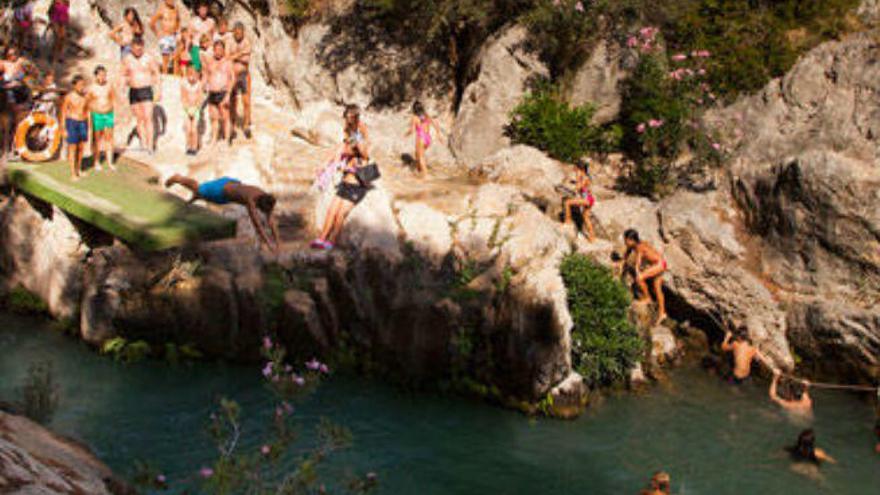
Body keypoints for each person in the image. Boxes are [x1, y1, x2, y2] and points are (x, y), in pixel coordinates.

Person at [164, 174, 280, 252]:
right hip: (220, 190)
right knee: (198, 188)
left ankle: (197, 197)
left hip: (230, 187)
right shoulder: (251, 199)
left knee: (203, 195)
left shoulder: (265, 197)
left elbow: (271, 220)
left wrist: (278, 242)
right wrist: (268, 243)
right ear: (258, 204)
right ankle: (179, 178)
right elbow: (257, 225)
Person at [311, 105, 371, 250]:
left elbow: (365, 154)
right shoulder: (347, 133)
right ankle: (321, 238)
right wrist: (326, 165)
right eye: (345, 119)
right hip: (345, 182)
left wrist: (355, 145)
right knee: (331, 210)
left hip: (357, 184)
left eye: (348, 119)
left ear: (354, 118)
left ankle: (331, 242)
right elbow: (339, 150)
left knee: (340, 214)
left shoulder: (361, 130)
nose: (345, 122)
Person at [122, 37, 161, 153]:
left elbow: (157, 74)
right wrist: (123, 87)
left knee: (148, 118)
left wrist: (158, 90)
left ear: (142, 47)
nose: (137, 50)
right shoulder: (127, 59)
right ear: (131, 47)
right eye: (135, 48)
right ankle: (143, 143)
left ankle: (150, 145)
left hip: (146, 89)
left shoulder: (148, 58)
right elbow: (123, 74)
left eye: (140, 48)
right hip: (134, 90)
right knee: (139, 119)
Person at [623, 229, 668, 325]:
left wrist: (638, 274)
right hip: (660, 263)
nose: (624, 242)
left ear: (631, 240)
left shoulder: (640, 247)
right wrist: (622, 261)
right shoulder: (633, 245)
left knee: (639, 278)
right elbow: (627, 253)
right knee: (657, 290)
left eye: (626, 240)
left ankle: (647, 298)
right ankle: (662, 313)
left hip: (659, 265)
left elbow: (637, 263)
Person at [203, 40, 234, 146]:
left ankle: (226, 140)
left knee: (225, 117)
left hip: (223, 92)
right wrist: (204, 85)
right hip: (212, 93)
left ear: (223, 50)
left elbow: (232, 79)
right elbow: (206, 75)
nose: (218, 52)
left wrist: (228, 94)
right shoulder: (210, 62)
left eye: (220, 49)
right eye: (216, 49)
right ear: (213, 50)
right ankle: (214, 139)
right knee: (214, 118)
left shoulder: (228, 63)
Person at [87, 65, 115, 171]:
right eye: (100, 75)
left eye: (104, 75)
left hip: (108, 114)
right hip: (97, 114)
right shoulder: (92, 88)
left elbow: (112, 97)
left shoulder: (109, 86)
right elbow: (88, 101)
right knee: (97, 139)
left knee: (109, 138)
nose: (102, 77)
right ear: (96, 76)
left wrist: (110, 108)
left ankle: (110, 162)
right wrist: (94, 110)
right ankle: (96, 161)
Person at [405, 100, 444, 176]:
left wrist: (406, 134)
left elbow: (412, 130)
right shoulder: (426, 116)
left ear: (414, 109)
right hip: (428, 139)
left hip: (421, 138)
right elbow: (435, 123)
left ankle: (425, 175)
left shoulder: (415, 117)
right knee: (417, 154)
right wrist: (438, 134)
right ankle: (419, 170)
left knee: (421, 157)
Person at [227, 22, 252, 139]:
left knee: (246, 102)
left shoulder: (247, 42)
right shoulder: (229, 42)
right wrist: (241, 54)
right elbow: (227, 58)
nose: (237, 34)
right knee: (233, 102)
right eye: (235, 32)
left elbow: (246, 60)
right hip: (232, 76)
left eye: (239, 32)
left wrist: (234, 56)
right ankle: (231, 126)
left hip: (244, 75)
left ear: (243, 32)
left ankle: (246, 125)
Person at [61, 75, 89, 180]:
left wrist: (88, 126)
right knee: (72, 148)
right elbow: (63, 112)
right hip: (72, 122)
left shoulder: (85, 97)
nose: (82, 87)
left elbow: (87, 111)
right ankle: (73, 173)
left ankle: (78, 169)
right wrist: (63, 128)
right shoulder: (69, 97)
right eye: (80, 85)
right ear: (74, 85)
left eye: (83, 85)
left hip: (83, 122)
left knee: (81, 147)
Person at [563, 159, 596, 241]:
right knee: (586, 217)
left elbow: (577, 188)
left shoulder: (584, 178)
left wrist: (577, 178)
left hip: (587, 199)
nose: (575, 171)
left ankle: (568, 221)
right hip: (589, 199)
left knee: (567, 203)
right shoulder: (584, 177)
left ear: (580, 169)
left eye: (576, 169)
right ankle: (592, 237)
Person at [150, 0, 181, 75]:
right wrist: (157, 33)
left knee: (176, 57)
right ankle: (165, 76)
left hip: (174, 35)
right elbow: (152, 23)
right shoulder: (161, 10)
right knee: (165, 59)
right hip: (165, 36)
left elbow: (178, 20)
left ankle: (175, 77)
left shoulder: (176, 9)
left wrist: (177, 32)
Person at [180, 65, 204, 155]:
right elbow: (183, 97)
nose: (192, 77)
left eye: (194, 75)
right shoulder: (184, 84)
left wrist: (195, 108)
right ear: (186, 74)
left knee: (194, 129)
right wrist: (187, 108)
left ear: (198, 75)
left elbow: (200, 98)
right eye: (190, 75)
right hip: (186, 109)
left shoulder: (199, 84)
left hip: (195, 108)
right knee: (188, 129)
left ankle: (194, 147)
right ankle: (188, 146)